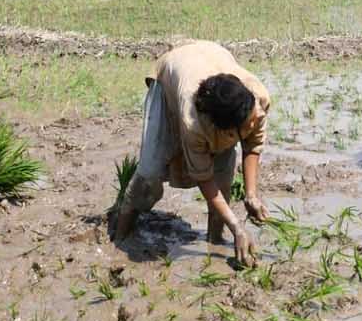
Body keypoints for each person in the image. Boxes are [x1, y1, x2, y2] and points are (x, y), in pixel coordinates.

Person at [112, 41, 271, 267]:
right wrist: (237, 227)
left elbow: (252, 145)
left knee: (224, 174)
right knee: (150, 170)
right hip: (172, 77)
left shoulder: (255, 101)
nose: (254, 123)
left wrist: (251, 194)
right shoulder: (193, 121)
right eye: (248, 125)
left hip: (211, 56)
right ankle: (121, 235)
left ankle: (214, 240)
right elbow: (204, 178)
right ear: (221, 128)